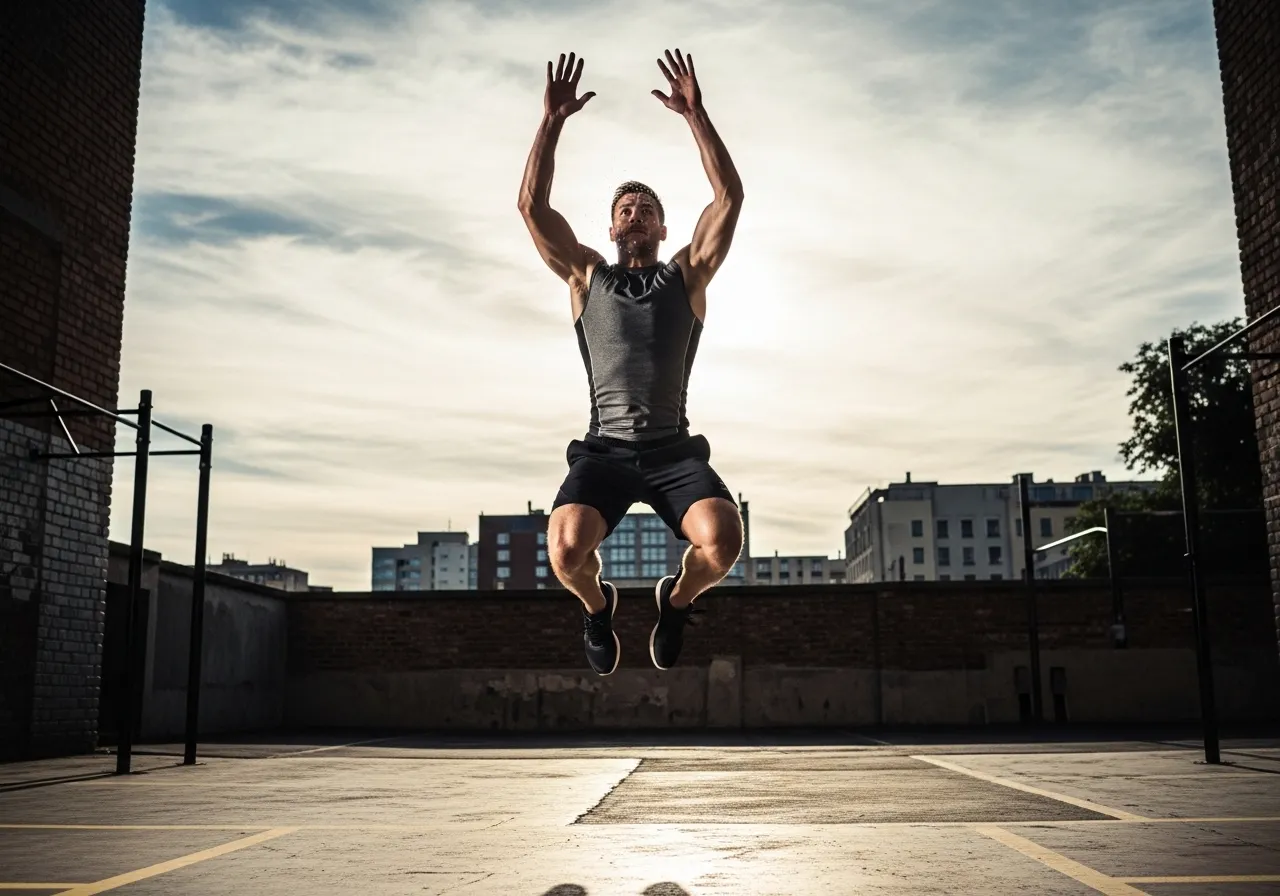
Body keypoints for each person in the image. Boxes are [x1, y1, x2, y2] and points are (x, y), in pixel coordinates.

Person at [517, 49, 745, 676]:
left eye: (646, 208)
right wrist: (552, 121)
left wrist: (696, 115)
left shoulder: (688, 275)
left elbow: (728, 195)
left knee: (724, 538)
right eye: (625, 208)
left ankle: (676, 601)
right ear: (612, 226)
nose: (635, 213)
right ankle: (598, 607)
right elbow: (532, 208)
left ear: (664, 226)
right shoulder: (585, 276)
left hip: (673, 453)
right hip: (606, 453)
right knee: (565, 551)